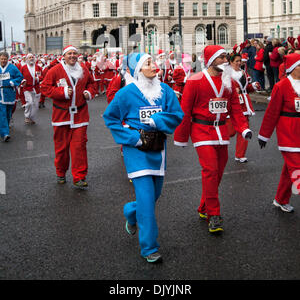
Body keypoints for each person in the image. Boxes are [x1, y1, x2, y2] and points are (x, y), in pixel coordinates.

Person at [103, 53, 183, 263]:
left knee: (152, 198)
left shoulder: (165, 90)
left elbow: (177, 115)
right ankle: (149, 248)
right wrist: (133, 138)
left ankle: (130, 211)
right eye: (148, 63)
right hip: (136, 150)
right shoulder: (126, 93)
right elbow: (110, 118)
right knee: (147, 201)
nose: (154, 65)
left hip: (159, 149)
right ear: (137, 69)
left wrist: (158, 120)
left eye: (153, 61)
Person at [174, 45, 252, 234]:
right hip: (201, 131)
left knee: (217, 173)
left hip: (222, 132)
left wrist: (243, 129)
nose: (226, 61)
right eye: (222, 58)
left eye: (226, 57)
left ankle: (203, 207)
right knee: (210, 170)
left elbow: (235, 109)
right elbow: (184, 112)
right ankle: (214, 215)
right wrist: (181, 137)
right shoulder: (195, 81)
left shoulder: (229, 83)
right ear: (210, 60)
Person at [41, 45, 96, 188]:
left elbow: (92, 84)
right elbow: (45, 88)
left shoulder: (83, 69)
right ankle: (60, 172)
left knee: (79, 147)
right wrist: (62, 92)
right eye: (69, 53)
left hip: (80, 114)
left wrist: (88, 93)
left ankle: (79, 177)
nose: (72, 56)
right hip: (61, 116)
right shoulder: (55, 70)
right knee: (61, 148)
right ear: (64, 56)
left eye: (74, 53)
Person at [258, 53, 300, 213]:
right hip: (287, 134)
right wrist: (264, 135)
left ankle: (281, 199)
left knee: (289, 171)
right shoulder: (281, 86)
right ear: (292, 68)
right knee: (297, 168)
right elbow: (271, 113)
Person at [227, 53, 260, 162]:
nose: (238, 63)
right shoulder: (226, 74)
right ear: (231, 62)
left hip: (244, 104)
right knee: (230, 131)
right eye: (236, 61)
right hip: (232, 104)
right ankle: (217, 143)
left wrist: (253, 86)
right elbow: (221, 90)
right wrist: (231, 91)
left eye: (239, 61)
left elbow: (246, 89)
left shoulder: (243, 73)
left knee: (244, 129)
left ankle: (240, 155)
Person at [0, 52, 23, 142]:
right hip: (0, 94)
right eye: (1, 59)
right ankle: (5, 133)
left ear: (7, 59)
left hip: (10, 93)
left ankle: (4, 128)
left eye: (5, 59)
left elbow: (20, 77)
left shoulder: (12, 68)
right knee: (2, 114)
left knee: (8, 113)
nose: (3, 60)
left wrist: (13, 82)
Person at [21, 53, 42, 124]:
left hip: (36, 88)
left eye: (32, 57)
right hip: (27, 88)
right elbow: (20, 76)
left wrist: (38, 78)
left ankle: (32, 118)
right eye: (29, 57)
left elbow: (41, 76)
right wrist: (23, 81)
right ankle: (27, 116)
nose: (31, 58)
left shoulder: (38, 67)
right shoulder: (23, 67)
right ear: (27, 59)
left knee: (36, 105)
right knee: (29, 102)